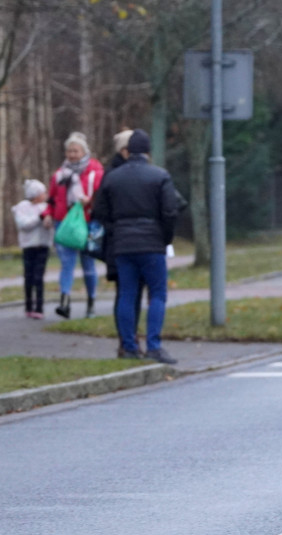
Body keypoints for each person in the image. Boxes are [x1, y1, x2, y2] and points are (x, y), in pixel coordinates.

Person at [93, 129, 180, 364]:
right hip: (152, 243)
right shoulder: (159, 176)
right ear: (148, 152)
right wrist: (165, 238)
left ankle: (129, 347)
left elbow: (99, 212)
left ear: (127, 151)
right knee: (158, 294)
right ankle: (154, 346)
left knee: (127, 295)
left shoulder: (112, 177)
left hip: (123, 244)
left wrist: (116, 230)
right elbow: (170, 211)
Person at [45, 132, 103, 319]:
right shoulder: (60, 175)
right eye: (69, 151)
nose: (72, 155)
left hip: (87, 223)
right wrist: (47, 215)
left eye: (75, 151)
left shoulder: (96, 173)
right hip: (64, 224)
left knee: (88, 265)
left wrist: (90, 202)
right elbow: (52, 199)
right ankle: (65, 303)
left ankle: (91, 302)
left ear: (84, 151)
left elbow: (103, 198)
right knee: (67, 264)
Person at [11, 179, 51, 318]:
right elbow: (24, 224)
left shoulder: (46, 207)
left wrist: (48, 221)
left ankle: (39, 307)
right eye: (42, 193)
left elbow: (49, 224)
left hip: (43, 246)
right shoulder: (22, 207)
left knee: (39, 277)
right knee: (29, 276)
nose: (45, 195)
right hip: (28, 246)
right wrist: (39, 218)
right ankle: (28, 305)